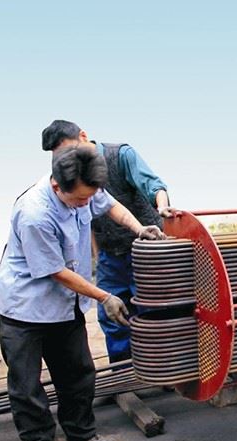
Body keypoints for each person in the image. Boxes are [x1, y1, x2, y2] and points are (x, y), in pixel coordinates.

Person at [0, 145, 166, 441]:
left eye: (90, 197)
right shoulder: (34, 214)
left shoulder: (84, 187)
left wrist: (138, 229)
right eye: (80, 200)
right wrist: (105, 297)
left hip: (65, 304)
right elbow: (55, 271)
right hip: (26, 307)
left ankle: (81, 433)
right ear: (57, 186)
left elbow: (111, 205)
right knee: (26, 383)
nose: (87, 204)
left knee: (78, 374)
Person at [41, 120, 176, 364]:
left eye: (69, 150)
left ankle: (161, 366)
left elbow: (152, 185)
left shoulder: (120, 155)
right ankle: (123, 371)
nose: (67, 158)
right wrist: (97, 255)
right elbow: (84, 218)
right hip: (110, 255)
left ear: (83, 136)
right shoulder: (72, 173)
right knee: (112, 315)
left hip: (144, 251)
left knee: (152, 311)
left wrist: (162, 208)